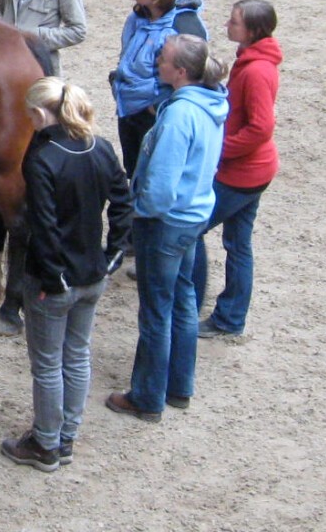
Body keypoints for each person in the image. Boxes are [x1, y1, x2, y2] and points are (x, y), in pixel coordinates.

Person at [0, 78, 131, 472]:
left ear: (41, 115)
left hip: (53, 281)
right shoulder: (101, 148)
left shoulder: (43, 159)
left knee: (47, 364)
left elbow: (45, 225)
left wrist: (52, 275)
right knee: (77, 355)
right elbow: (123, 204)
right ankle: (67, 435)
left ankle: (45, 442)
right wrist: (113, 254)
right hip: (92, 273)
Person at [107, 34, 228, 422]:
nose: (157, 62)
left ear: (179, 71)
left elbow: (160, 184)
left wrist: (139, 212)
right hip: (193, 216)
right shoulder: (210, 104)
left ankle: (146, 396)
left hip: (166, 222)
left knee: (157, 311)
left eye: (163, 59)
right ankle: (179, 386)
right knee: (183, 300)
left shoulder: (178, 115)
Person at [194, 0, 282, 338]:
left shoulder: (257, 70)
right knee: (239, 243)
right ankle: (230, 317)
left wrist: (220, 151)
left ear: (253, 31)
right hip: (253, 171)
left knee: (192, 229)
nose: (228, 25)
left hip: (242, 174)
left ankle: (195, 301)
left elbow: (261, 127)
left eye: (234, 22)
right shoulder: (252, 61)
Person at [110, 0, 207, 180]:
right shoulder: (138, 17)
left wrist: (156, 108)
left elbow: (193, 78)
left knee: (153, 175)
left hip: (153, 115)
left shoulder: (184, 28)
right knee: (134, 172)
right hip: (129, 109)